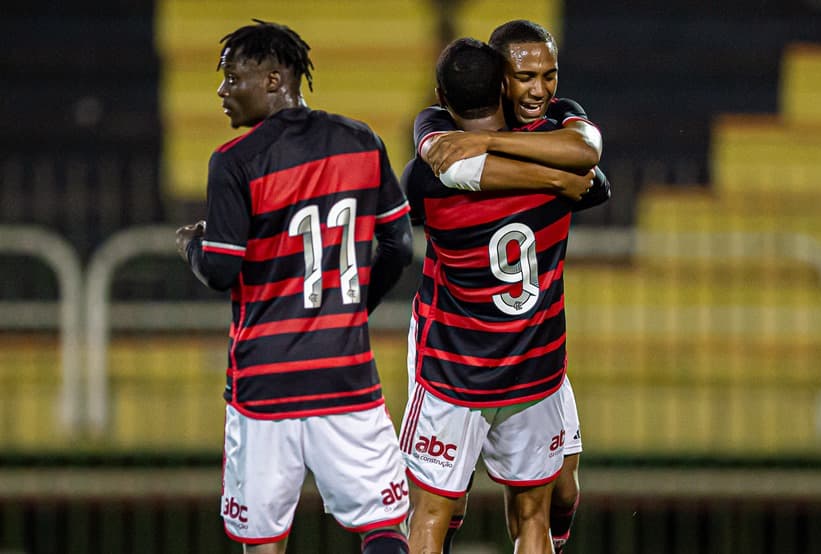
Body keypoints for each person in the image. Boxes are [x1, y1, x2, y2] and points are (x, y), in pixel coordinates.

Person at [174, 20, 413, 554]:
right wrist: (353, 309)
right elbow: (399, 247)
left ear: (275, 79)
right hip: (343, 376)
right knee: (381, 527)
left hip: (264, 383)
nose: (221, 92)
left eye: (233, 79)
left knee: (263, 541)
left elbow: (220, 270)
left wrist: (191, 245)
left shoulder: (235, 162)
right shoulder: (361, 140)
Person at [399, 37, 609, 554]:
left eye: (547, 75)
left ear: (441, 98)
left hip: (452, 367)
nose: (539, 89)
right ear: (502, 85)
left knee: (430, 511)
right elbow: (594, 179)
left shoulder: (426, 179)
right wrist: (552, 181)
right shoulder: (565, 164)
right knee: (534, 515)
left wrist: (481, 145)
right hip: (530, 367)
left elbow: (432, 174)